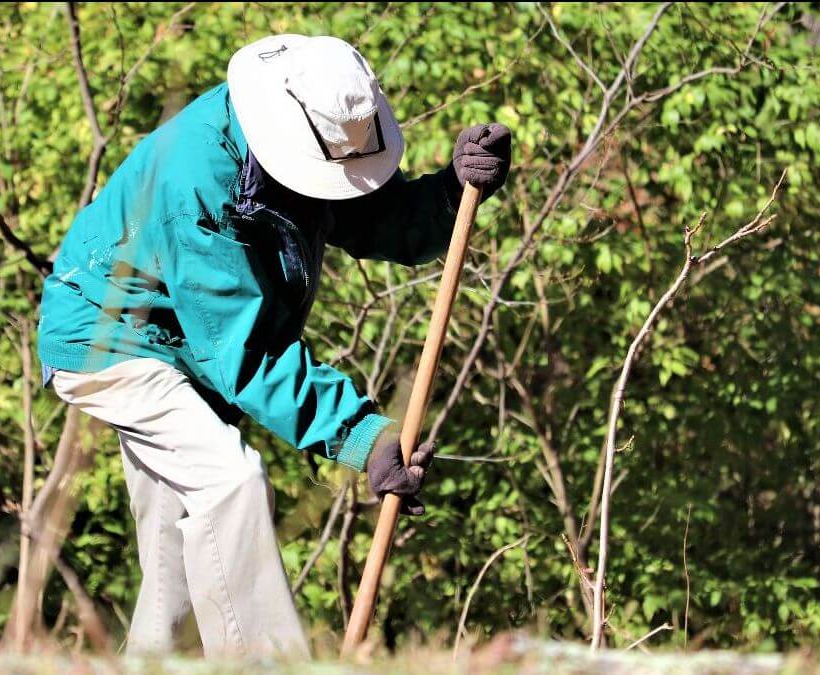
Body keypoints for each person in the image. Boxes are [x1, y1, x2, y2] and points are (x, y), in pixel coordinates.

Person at [36, 34, 510, 657]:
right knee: (229, 484)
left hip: (188, 344)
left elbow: (375, 213)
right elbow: (245, 351)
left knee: (178, 540)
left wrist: (450, 193)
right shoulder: (197, 185)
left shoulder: (303, 136)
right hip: (111, 341)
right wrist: (363, 437)